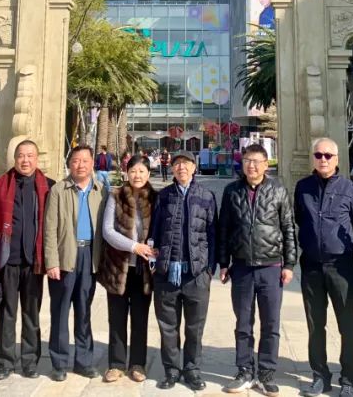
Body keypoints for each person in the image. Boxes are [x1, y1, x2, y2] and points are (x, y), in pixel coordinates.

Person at [217, 143, 296, 395]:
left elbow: (288, 228)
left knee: (271, 323)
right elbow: (223, 229)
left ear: (265, 164)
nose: (251, 166)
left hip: (271, 267)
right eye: (247, 161)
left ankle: (266, 372)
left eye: (257, 161)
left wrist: (289, 264)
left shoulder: (278, 190)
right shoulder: (231, 191)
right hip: (241, 267)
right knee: (243, 323)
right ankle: (244, 370)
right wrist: (223, 263)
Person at [293, 137, 353, 397]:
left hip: (341, 266)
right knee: (315, 324)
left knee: (347, 323)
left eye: (328, 155)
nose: (323, 159)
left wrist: (343, 248)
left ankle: (349, 379)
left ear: (337, 159)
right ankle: (319, 375)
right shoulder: (303, 187)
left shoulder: (351, 189)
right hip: (312, 264)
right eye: (318, 155)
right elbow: (300, 218)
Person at [0, 139, 52, 381]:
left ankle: (30, 362)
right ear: (15, 158)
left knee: (31, 314)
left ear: (37, 158)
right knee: (7, 313)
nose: (25, 160)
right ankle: (5, 362)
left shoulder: (47, 187)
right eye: (21, 155)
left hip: (34, 262)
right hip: (7, 260)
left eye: (30, 156)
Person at [149, 149, 217, 391]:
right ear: (172, 169)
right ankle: (171, 370)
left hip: (196, 274)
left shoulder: (206, 196)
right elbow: (154, 232)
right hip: (167, 272)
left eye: (187, 164)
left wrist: (209, 268)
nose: (182, 168)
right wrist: (154, 263)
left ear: (194, 168)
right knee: (168, 326)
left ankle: (192, 370)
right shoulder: (164, 196)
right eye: (177, 164)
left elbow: (213, 234)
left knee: (194, 327)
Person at [44, 145, 105, 381]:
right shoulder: (58, 190)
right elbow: (50, 229)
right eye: (76, 161)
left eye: (85, 160)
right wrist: (51, 261)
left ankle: (84, 362)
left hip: (89, 256)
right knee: (60, 311)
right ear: (69, 164)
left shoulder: (101, 191)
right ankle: (59, 363)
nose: (80, 165)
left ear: (92, 163)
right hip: (64, 257)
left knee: (84, 310)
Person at [97, 154, 158, 382]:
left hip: (144, 271)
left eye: (142, 171)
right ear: (126, 173)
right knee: (117, 317)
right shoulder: (116, 195)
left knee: (140, 319)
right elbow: (107, 231)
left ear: (148, 174)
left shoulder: (156, 198)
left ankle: (138, 364)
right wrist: (134, 247)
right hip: (118, 267)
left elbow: (162, 229)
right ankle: (116, 364)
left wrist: (156, 249)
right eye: (133, 171)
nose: (137, 175)